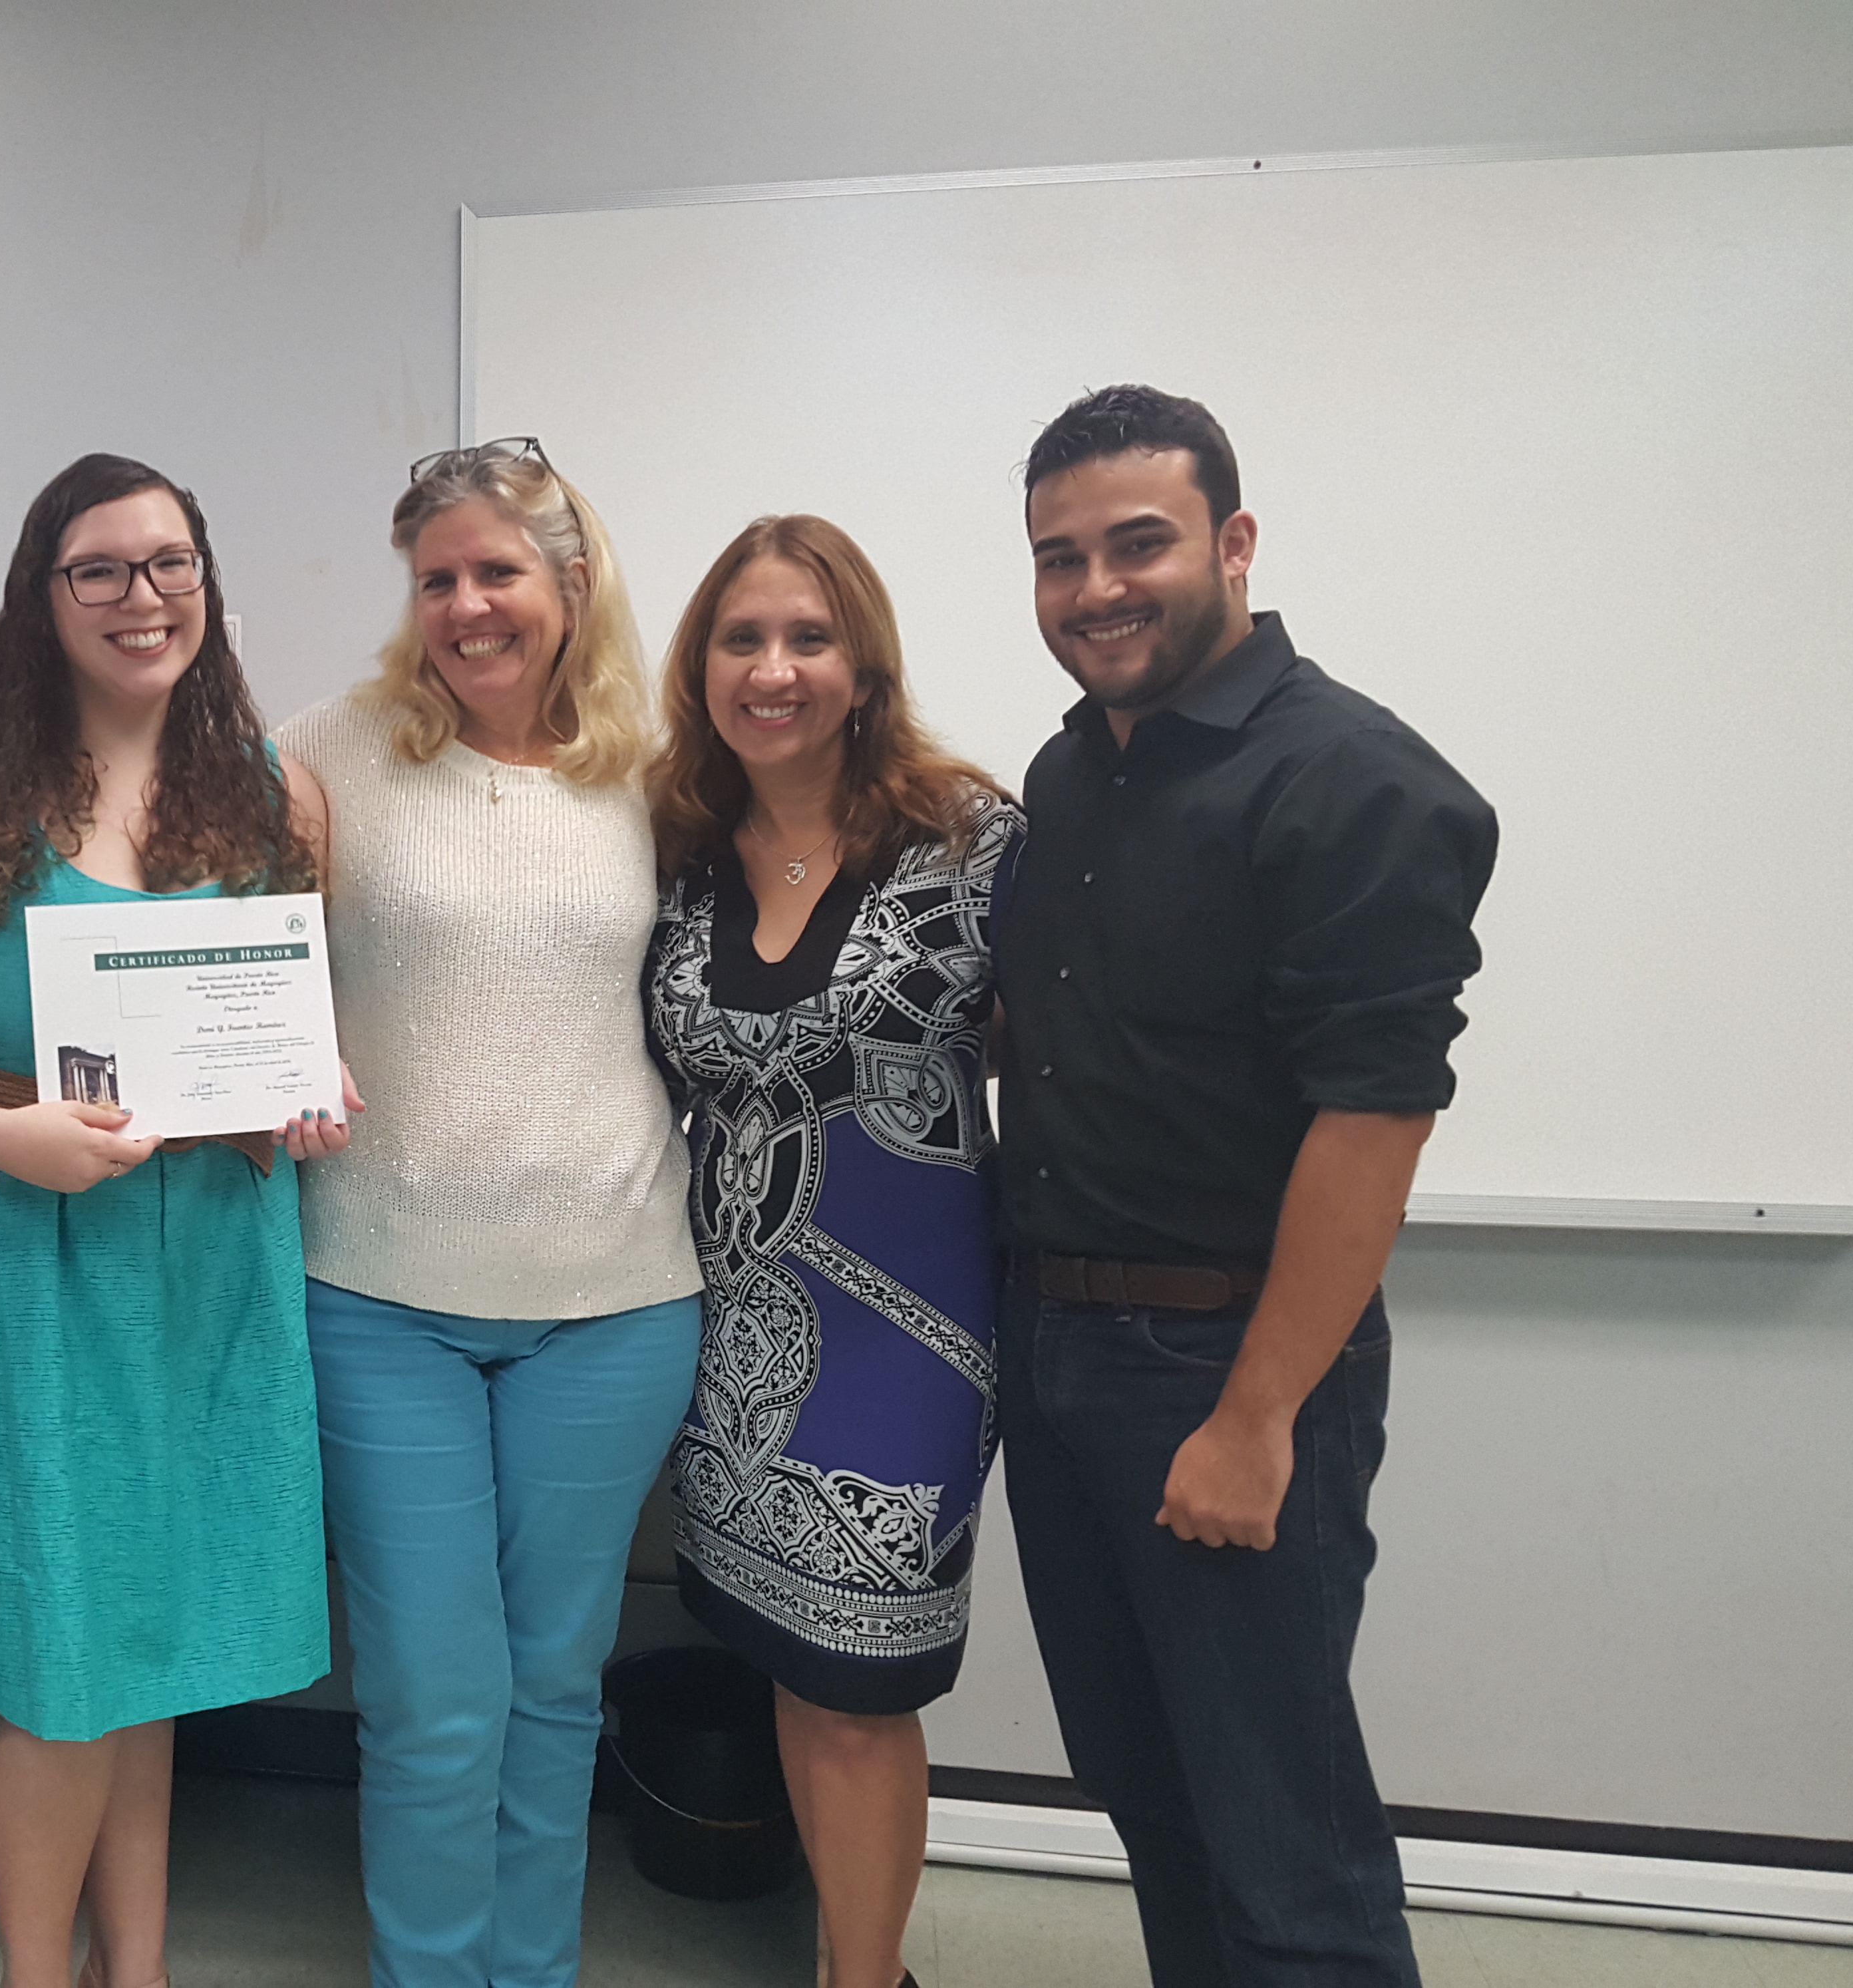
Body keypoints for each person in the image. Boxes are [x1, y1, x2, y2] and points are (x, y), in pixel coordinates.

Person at [996, 385, 1496, 1987]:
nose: (1096, 590)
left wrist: (1257, 1416)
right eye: (1058, 557)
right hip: (1056, 1360)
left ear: (1232, 541)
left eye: (1136, 545)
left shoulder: (1350, 780)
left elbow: (1375, 1120)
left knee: (1287, 1849)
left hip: (1221, 1373)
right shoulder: (1069, 777)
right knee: (1155, 1803)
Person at [0, 452, 346, 1988]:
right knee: (61, 1665)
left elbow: (295, 1022)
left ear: (207, 580)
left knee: (153, 1653)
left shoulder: (272, 790)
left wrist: (313, 1086)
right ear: (41, 599)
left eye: (170, 564)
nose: (144, 598)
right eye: (102, 571)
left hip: (211, 1269)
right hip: (32, 1261)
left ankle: (139, 1972)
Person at [276, 439, 701, 1988]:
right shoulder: (331, 746)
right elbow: (138, 806)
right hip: (380, 1291)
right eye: (437, 578)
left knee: (555, 1683)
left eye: (497, 572)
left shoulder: (655, 773)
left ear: (568, 585)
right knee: (431, 1696)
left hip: (618, 1294)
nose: (466, 606)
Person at [640, 515, 1019, 1988]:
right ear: (702, 666)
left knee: (864, 1686)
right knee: (796, 1666)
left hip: (914, 1335)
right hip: (724, 1327)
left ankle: (868, 1976)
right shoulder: (670, 847)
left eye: (808, 638)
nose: (774, 668)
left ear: (861, 666)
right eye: (742, 638)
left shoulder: (968, 845)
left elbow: (1059, 1076)